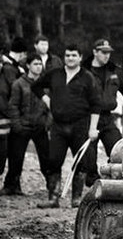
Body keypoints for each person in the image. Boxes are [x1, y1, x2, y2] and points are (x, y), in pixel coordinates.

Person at [31, 44, 101, 208]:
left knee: (81, 162)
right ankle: (53, 198)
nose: (70, 58)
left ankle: (76, 199)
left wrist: (93, 128)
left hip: (80, 125)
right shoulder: (55, 74)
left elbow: (96, 104)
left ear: (80, 57)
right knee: (54, 160)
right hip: (58, 126)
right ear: (64, 57)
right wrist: (48, 101)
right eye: (67, 55)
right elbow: (36, 86)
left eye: (73, 55)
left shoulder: (87, 77)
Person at [1, 53, 50, 196]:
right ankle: (12, 185)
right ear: (28, 65)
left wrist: (47, 123)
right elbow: (13, 105)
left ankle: (52, 186)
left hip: (40, 126)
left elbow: (52, 106)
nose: (38, 67)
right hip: (22, 127)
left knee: (46, 159)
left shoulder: (46, 84)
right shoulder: (19, 84)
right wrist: (17, 125)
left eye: (40, 64)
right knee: (16, 158)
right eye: (35, 64)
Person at [83, 38, 123, 188]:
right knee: (89, 157)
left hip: (107, 117)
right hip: (88, 117)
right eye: (103, 52)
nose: (107, 56)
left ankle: (113, 180)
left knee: (118, 148)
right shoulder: (83, 71)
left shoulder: (113, 71)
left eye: (108, 53)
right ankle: (93, 185)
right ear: (95, 52)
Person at [0, 37, 28, 177]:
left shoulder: (12, 66)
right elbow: (14, 90)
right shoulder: (10, 69)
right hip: (5, 115)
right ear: (22, 53)